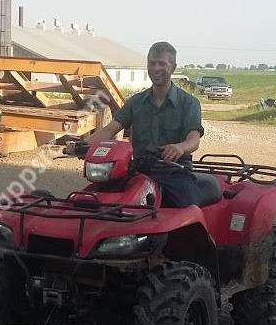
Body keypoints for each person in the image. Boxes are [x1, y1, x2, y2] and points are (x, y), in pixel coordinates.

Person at [69, 41, 204, 207]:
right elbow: (110, 129)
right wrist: (79, 145)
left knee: (186, 211)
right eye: (152, 63)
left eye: (162, 63)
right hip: (138, 169)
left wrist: (180, 147)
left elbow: (194, 139)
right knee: (96, 201)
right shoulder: (136, 102)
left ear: (173, 67)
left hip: (174, 171)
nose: (156, 68)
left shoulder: (189, 103)